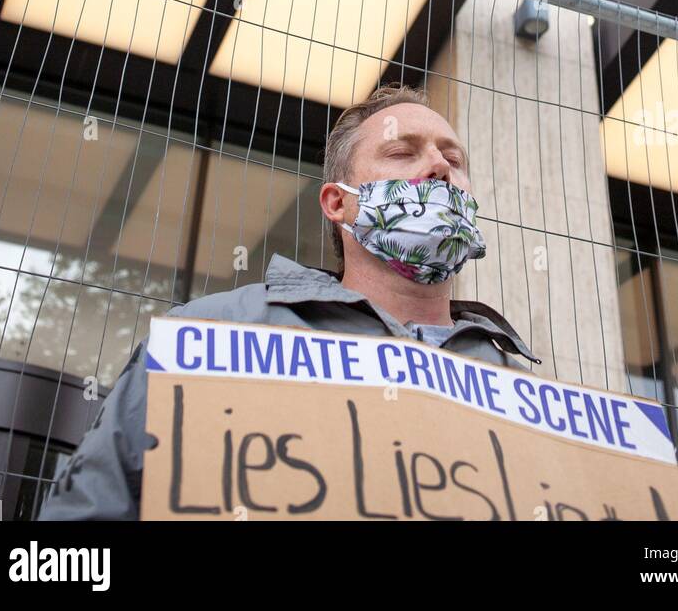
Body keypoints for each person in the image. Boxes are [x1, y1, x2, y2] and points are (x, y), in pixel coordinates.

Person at [37, 83, 540, 521]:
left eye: (453, 159)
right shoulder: (215, 333)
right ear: (338, 203)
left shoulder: (519, 390)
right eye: (402, 152)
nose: (438, 167)